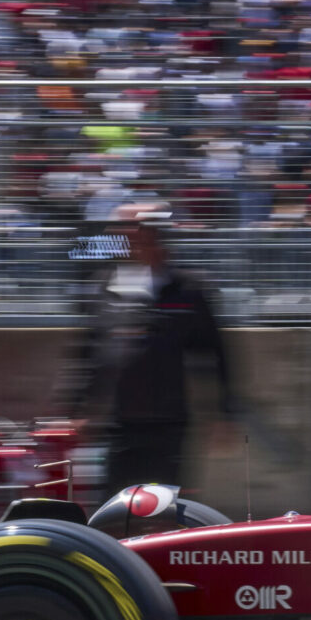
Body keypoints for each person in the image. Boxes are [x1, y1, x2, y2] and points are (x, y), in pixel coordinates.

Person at [67, 206, 236, 497]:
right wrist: (77, 408)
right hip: (118, 424)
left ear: (154, 238)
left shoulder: (188, 291)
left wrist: (223, 413)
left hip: (169, 426)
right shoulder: (104, 287)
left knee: (163, 508)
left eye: (131, 234)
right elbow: (90, 352)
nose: (121, 239)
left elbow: (215, 353)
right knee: (113, 509)